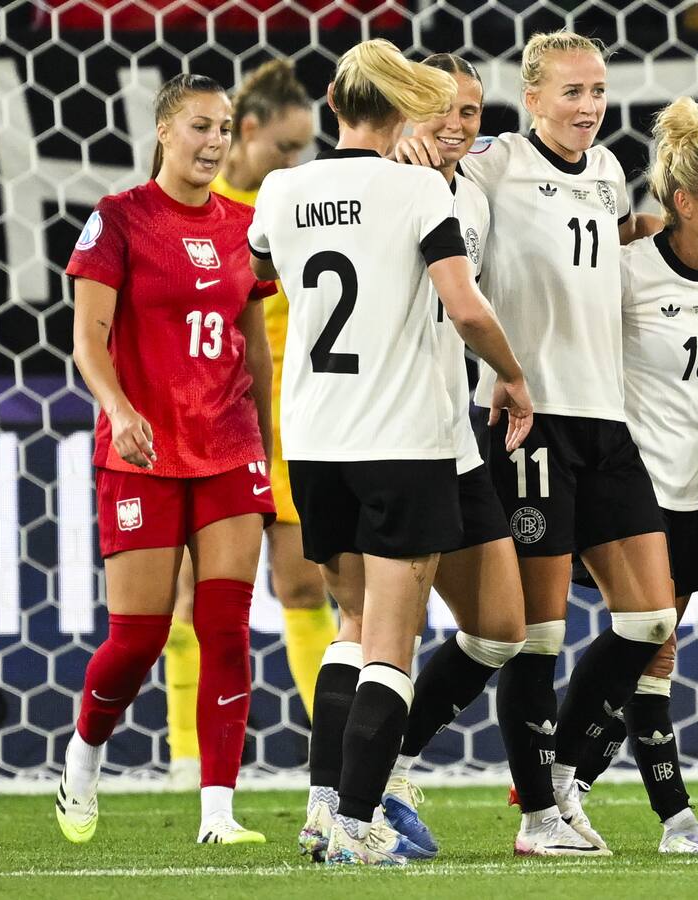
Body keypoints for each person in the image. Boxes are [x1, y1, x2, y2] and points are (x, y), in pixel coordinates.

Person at [248, 38, 533, 866]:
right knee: (390, 644)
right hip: (402, 439)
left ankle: (323, 805)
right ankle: (356, 821)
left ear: (333, 105)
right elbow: (466, 306)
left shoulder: (282, 186)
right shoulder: (416, 190)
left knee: (355, 622)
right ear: (405, 108)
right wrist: (512, 376)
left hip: (317, 436)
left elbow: (262, 265)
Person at [397, 30, 677, 855]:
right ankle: (534, 816)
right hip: (527, 415)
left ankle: (555, 778)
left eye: (597, 91)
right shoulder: (491, 164)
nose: (589, 108)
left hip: (605, 414)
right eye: (572, 93)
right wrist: (427, 147)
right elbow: (442, 172)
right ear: (533, 99)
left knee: (652, 615)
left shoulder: (607, 169)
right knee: (535, 632)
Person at [57, 73, 278, 845]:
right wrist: (119, 412)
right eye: (198, 126)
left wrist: (271, 457)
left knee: (226, 628)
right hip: (143, 451)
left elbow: (255, 349)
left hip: (227, 447)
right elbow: (89, 338)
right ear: (162, 131)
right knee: (140, 638)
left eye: (224, 128)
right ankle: (84, 755)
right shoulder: (118, 220)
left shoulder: (246, 228)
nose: (214, 141)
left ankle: (218, 813)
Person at [562, 96, 698, 854]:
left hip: (687, 485)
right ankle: (639, 809)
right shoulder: (628, 269)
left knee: (652, 649)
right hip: (622, 481)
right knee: (642, 638)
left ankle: (567, 791)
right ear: (683, 202)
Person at [362, 52, 543, 858]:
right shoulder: (387, 185)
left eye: (471, 111)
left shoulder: (473, 190)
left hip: (457, 428)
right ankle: (346, 798)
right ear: (406, 110)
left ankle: (391, 764)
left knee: (502, 627)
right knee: (371, 634)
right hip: (392, 435)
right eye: (441, 108)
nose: (458, 124)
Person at [162, 57, 337, 792]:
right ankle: (186, 760)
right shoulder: (195, 213)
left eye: (305, 151)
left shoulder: (297, 208)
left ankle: (335, 753)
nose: (295, 163)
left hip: (293, 425)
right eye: (285, 148)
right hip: (206, 428)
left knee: (304, 589)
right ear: (248, 132)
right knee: (191, 598)